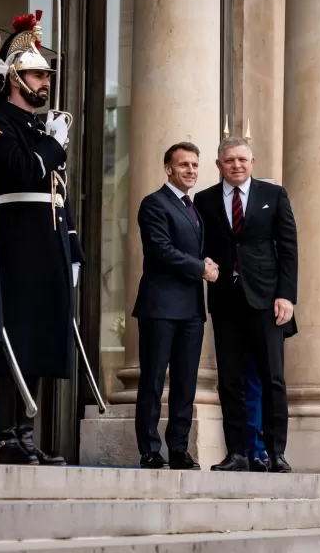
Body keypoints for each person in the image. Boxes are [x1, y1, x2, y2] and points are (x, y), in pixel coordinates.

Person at [0, 12, 80, 466]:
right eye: (37, 75)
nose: (45, 82)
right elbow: (23, 169)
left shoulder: (38, 127)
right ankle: (5, 435)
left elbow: (59, 193)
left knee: (41, 340)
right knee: (14, 339)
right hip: (16, 242)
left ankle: (26, 435)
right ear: (14, 77)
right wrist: (53, 145)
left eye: (47, 75)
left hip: (47, 243)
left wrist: (73, 246)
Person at [193, 136, 297, 473]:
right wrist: (203, 263)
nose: (236, 165)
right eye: (229, 160)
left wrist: (286, 295)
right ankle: (236, 453)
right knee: (230, 380)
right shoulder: (204, 200)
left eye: (242, 159)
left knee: (272, 378)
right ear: (219, 165)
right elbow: (201, 245)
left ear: (252, 163)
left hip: (266, 299)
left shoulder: (274, 195)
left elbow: (288, 247)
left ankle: (275, 452)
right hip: (225, 299)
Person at [131, 142, 213, 470]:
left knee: (185, 383)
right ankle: (150, 449)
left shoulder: (193, 208)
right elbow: (160, 250)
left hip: (192, 309)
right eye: (183, 165)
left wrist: (208, 263)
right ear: (168, 169)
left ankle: (179, 449)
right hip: (160, 306)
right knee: (152, 381)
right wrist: (200, 267)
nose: (190, 170)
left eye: (194, 165)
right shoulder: (154, 203)